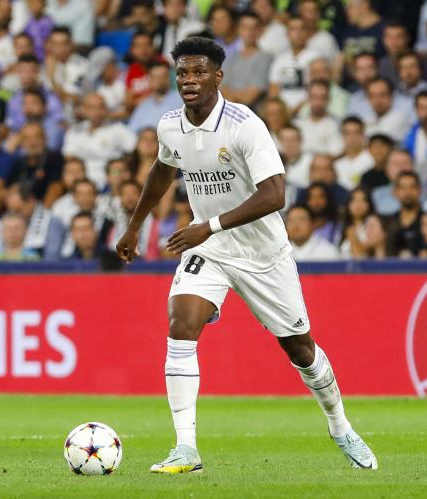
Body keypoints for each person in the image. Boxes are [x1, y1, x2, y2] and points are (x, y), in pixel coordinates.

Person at [115, 37, 377, 473]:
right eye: (182, 73)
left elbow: (275, 194)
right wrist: (134, 225)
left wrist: (209, 225)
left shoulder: (245, 125)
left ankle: (340, 426)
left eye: (199, 72)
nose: (189, 80)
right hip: (210, 250)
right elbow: (163, 168)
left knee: (301, 350)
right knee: (181, 325)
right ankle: (186, 448)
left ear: (218, 77)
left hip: (262, 254)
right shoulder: (169, 126)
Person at [385, 171, 424, 257]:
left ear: (419, 190)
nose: (408, 192)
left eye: (412, 187)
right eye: (403, 188)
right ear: (395, 192)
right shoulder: (388, 223)